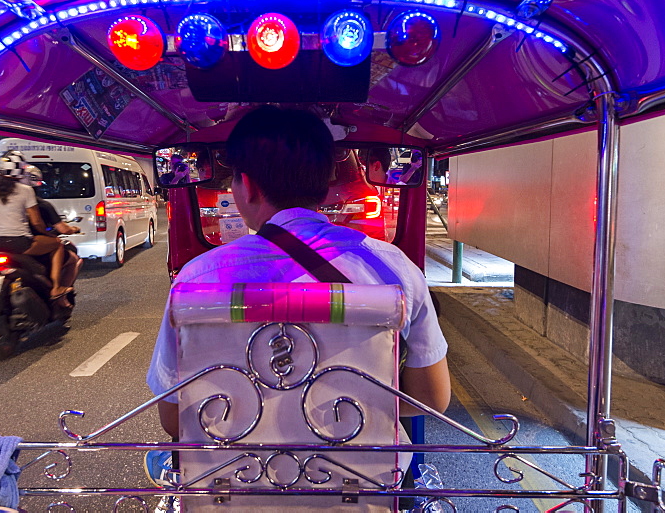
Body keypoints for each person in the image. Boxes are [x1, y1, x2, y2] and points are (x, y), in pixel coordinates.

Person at [146, 105, 451, 443]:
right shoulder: (393, 267)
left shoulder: (198, 278)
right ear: (323, 186)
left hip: (233, 485)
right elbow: (431, 399)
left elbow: (175, 418)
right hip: (367, 486)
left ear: (246, 186)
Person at [0, 151, 68, 304]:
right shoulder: (26, 191)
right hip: (19, 244)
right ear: (21, 170)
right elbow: (37, 222)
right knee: (57, 245)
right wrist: (47, 234)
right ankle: (56, 288)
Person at [23, 166, 83, 292]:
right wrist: (72, 229)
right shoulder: (42, 205)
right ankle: (57, 291)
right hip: (28, 244)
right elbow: (57, 227)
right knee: (67, 254)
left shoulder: (4, 200)